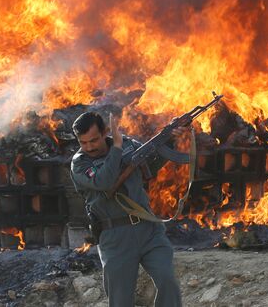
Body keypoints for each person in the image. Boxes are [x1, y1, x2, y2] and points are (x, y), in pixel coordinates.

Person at [70, 111, 183, 307]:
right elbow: (104, 181)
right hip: (115, 236)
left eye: (94, 140)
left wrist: (170, 138)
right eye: (83, 142)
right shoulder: (80, 163)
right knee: (121, 301)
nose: (89, 147)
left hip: (149, 230)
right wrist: (116, 148)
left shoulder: (129, 145)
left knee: (168, 281)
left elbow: (153, 164)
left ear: (105, 132)